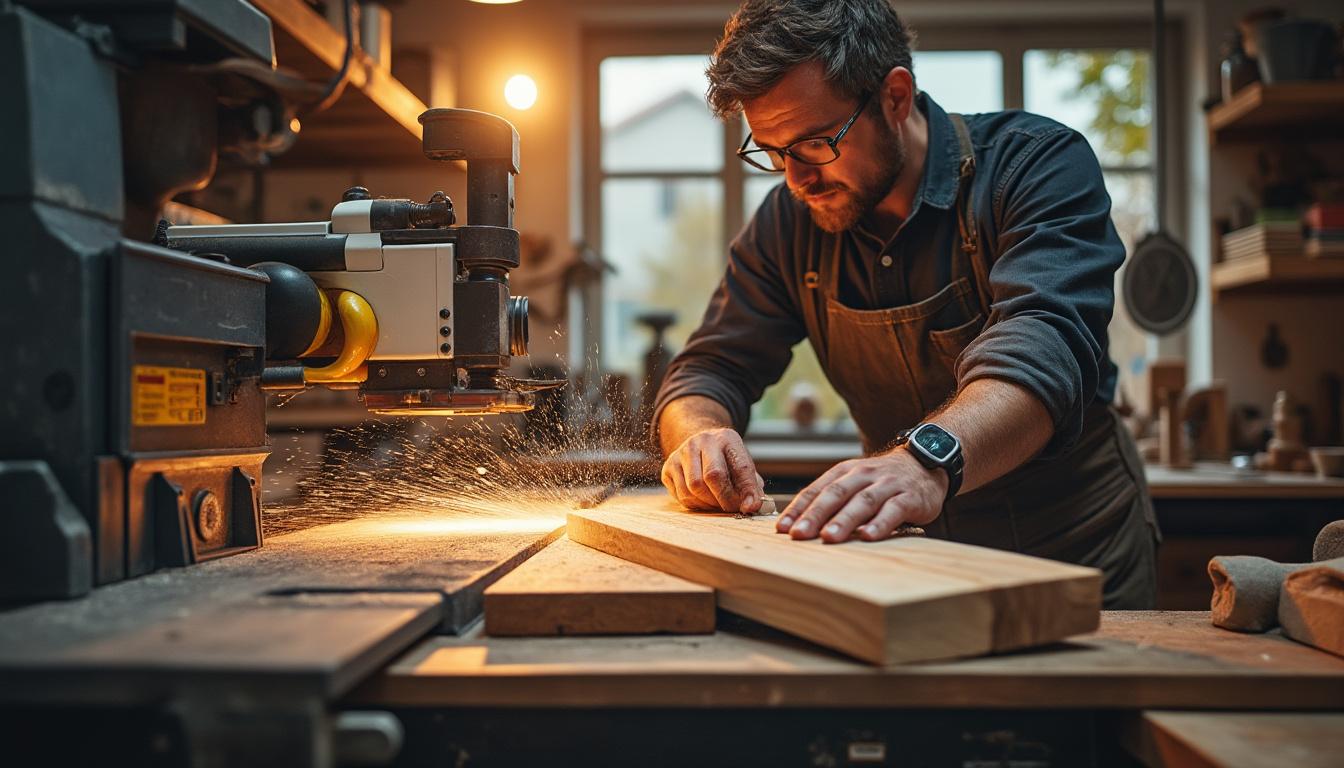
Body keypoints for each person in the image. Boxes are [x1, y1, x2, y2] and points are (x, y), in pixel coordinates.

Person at [653, 0, 1160, 608]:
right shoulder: (789, 223)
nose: (795, 180)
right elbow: (709, 370)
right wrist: (700, 437)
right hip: (909, 557)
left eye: (815, 143)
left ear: (895, 97)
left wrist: (925, 462)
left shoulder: (1035, 167)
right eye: (772, 151)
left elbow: (1041, 347)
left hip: (1075, 550)